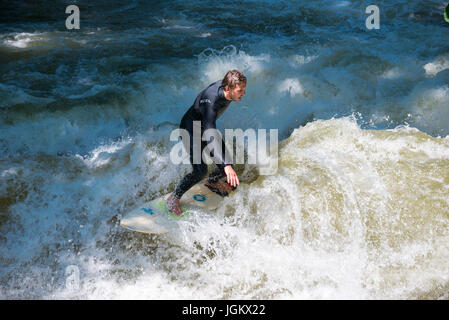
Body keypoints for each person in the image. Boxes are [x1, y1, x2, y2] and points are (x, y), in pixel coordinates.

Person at [166, 70, 247, 216]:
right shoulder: (211, 102)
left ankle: (212, 181)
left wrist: (226, 165)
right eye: (240, 90)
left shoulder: (225, 87)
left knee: (226, 165)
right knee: (201, 171)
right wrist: (226, 165)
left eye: (244, 89)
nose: (244, 93)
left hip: (205, 127)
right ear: (228, 89)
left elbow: (210, 86)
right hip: (190, 129)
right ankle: (174, 197)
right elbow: (210, 131)